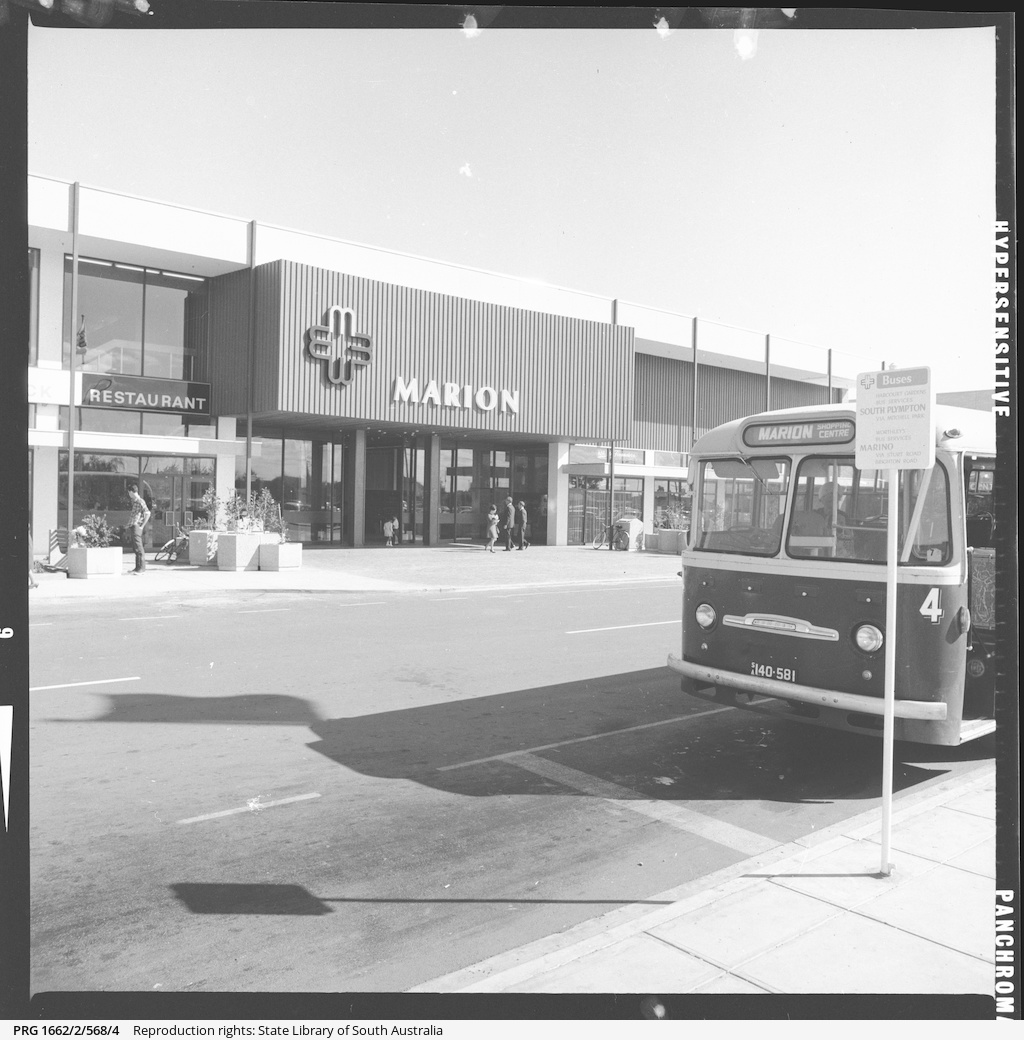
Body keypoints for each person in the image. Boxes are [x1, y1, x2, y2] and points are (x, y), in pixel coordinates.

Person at [126, 481, 151, 574]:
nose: (129, 495)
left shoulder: (140, 501)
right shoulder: (136, 501)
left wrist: (142, 526)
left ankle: (141, 568)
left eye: (129, 492)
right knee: (135, 547)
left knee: (139, 547)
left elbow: (147, 513)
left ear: (131, 491)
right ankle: (137, 568)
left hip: (137, 526)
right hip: (134, 525)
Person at [29, 525, 38, 590]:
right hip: (29, 554)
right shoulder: (29, 536)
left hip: (27, 554)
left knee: (27, 568)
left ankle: (33, 582)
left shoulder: (26, 536)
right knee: (28, 568)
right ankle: (33, 582)